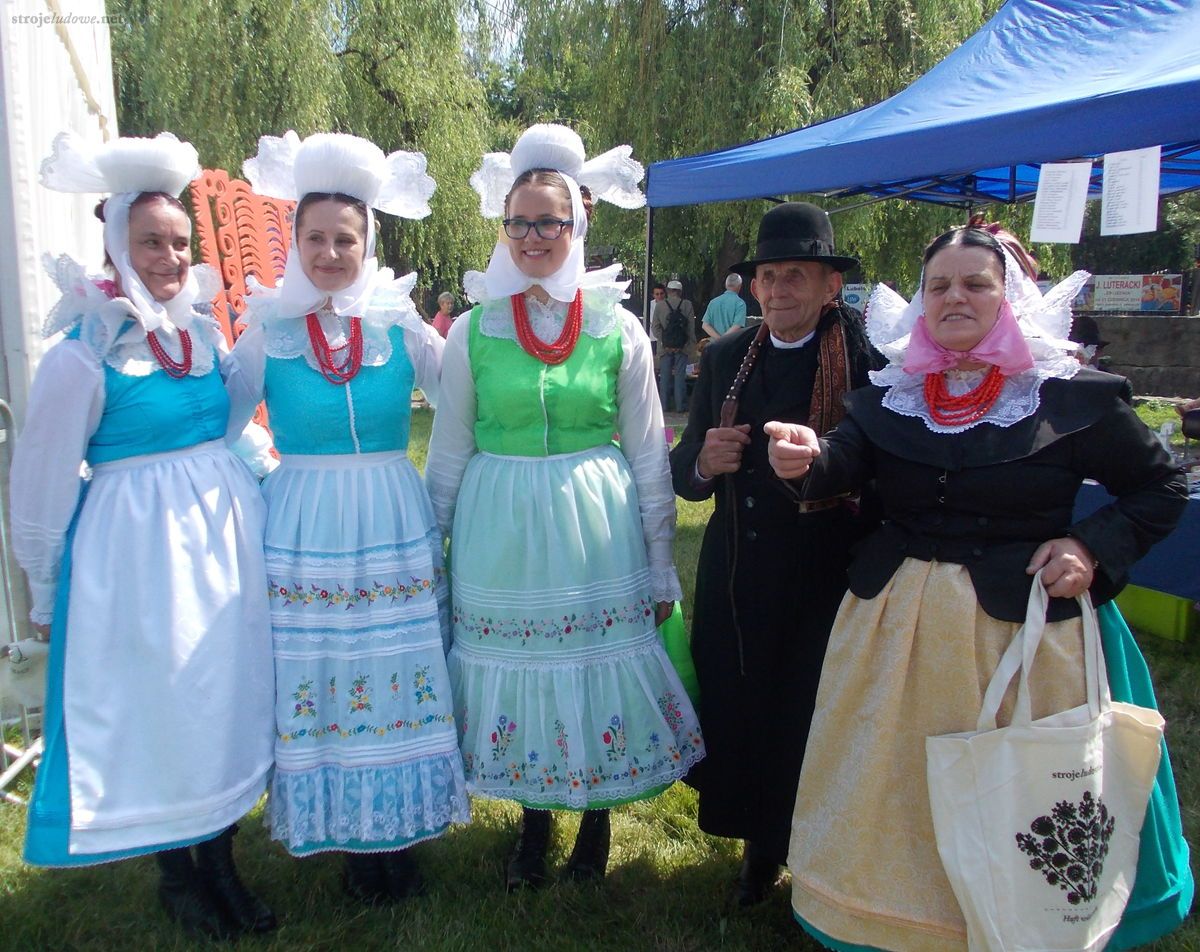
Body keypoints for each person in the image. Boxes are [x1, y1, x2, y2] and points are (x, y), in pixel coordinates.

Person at [765, 224, 1188, 951]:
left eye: (975, 283)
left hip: (1022, 635)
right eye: (939, 286)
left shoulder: (1067, 394)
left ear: (1009, 295)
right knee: (891, 790)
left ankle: (1020, 917)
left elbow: (1161, 484)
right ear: (920, 304)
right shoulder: (895, 391)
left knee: (1022, 787)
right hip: (898, 628)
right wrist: (807, 458)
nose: (954, 296)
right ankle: (896, 918)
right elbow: (848, 461)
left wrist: (1090, 546)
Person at [426, 123, 703, 891]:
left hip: (594, 521)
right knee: (524, 663)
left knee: (584, 663)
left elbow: (650, 455)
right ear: (504, 228)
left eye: (550, 220)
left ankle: (596, 820)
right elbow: (448, 449)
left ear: (578, 224)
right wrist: (429, 548)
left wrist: (657, 562)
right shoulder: (474, 331)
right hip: (501, 522)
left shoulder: (619, 328)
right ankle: (534, 821)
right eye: (520, 221)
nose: (534, 235)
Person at [13, 132, 276, 939]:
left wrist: (275, 325)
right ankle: (177, 875)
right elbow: (43, 478)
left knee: (217, 699)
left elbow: (229, 417)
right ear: (117, 243)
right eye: (151, 242)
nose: (168, 257)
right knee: (162, 707)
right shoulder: (81, 355)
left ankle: (222, 860)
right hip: (135, 557)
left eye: (178, 243)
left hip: (219, 547)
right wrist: (45, 583)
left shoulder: (198, 333)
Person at [226, 131, 469, 903]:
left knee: (395, 668)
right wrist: (263, 471)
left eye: (347, 239)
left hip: (391, 512)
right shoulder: (268, 331)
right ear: (295, 242)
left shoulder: (401, 326)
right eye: (317, 238)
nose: (332, 252)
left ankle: (400, 830)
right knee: (325, 673)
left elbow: (466, 400)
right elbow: (217, 425)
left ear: (369, 244)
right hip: (303, 523)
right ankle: (350, 840)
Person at [668, 201, 878, 906]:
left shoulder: (865, 363)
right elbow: (683, 473)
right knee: (746, 709)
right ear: (753, 287)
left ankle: (813, 852)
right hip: (738, 573)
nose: (781, 288)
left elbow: (886, 469)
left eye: (798, 275)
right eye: (770, 276)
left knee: (810, 715)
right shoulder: (727, 356)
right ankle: (758, 851)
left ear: (829, 288)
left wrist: (828, 464)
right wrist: (705, 459)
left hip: (825, 576)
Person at [652, 278, 696, 412]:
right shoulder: (687, 304)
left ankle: (664, 406)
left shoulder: (660, 305)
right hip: (682, 347)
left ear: (668, 291)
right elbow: (690, 327)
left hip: (665, 348)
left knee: (664, 376)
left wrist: (665, 341)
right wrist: (687, 343)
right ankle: (680, 406)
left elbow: (655, 327)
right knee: (680, 376)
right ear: (680, 291)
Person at [701, 273, 747, 338]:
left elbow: (705, 325)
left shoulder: (713, 302)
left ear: (726, 285)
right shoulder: (740, 303)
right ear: (740, 286)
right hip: (732, 344)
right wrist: (723, 340)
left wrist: (718, 339)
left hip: (715, 345)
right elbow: (737, 326)